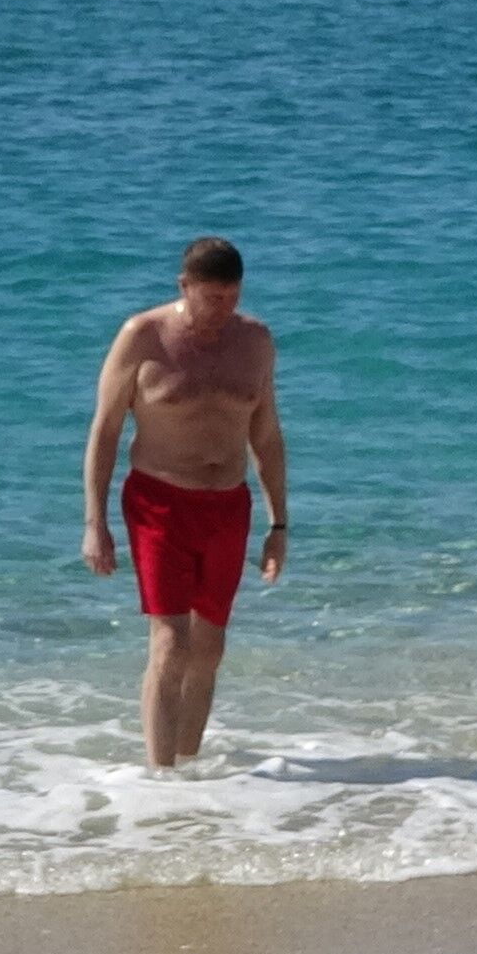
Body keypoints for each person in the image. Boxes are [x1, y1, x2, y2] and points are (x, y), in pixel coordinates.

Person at [82, 236, 288, 768]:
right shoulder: (142, 336)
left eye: (232, 297)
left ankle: (187, 770)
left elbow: (266, 434)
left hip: (228, 507)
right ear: (184, 286)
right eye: (212, 298)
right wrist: (95, 522)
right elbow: (105, 431)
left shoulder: (255, 341)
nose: (223, 309)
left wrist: (278, 525)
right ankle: (159, 776)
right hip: (159, 503)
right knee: (171, 642)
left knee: (209, 648)